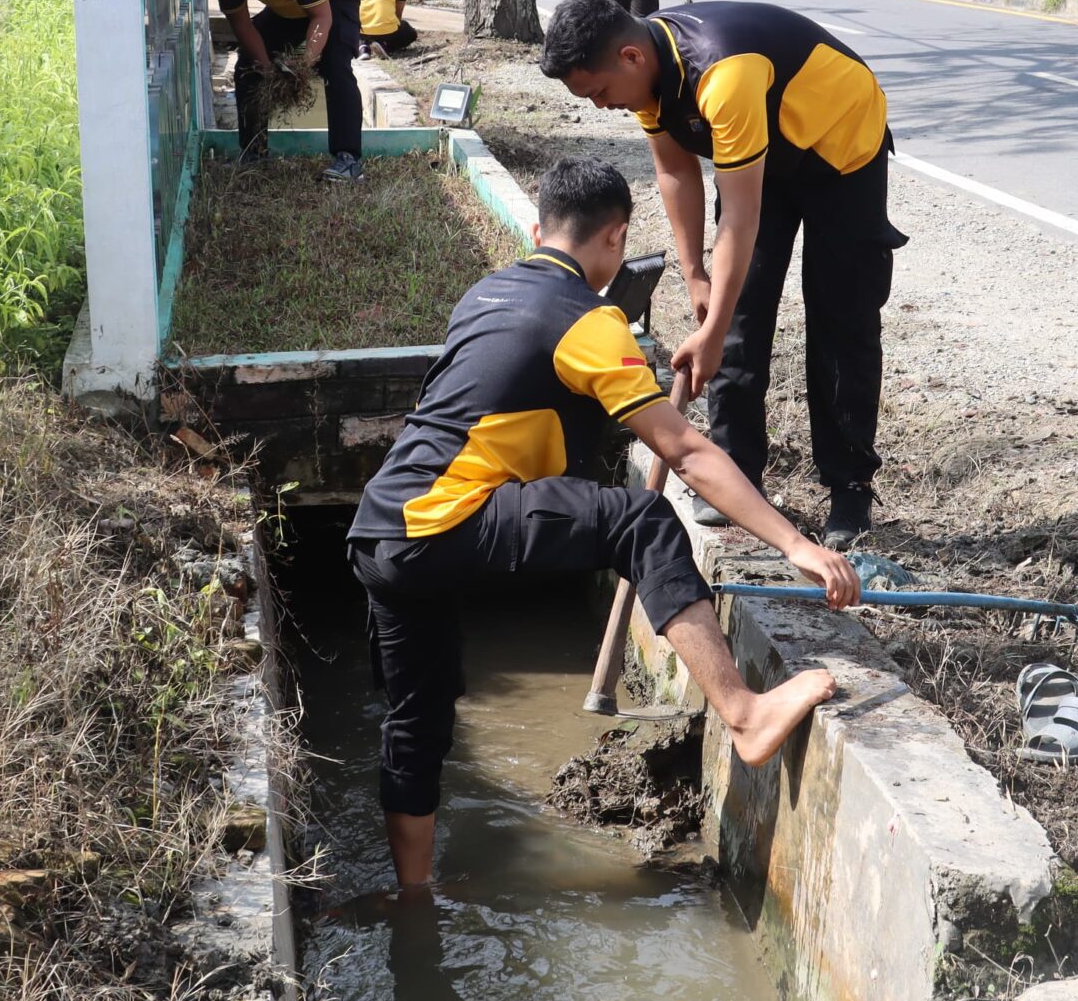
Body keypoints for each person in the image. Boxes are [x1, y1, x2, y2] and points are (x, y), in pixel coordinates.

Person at [346, 155, 856, 887]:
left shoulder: (485, 293)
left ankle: (413, 896)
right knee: (640, 522)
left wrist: (641, 366)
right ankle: (744, 713)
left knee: (415, 722)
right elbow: (684, 449)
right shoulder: (589, 319)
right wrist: (796, 542)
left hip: (382, 526)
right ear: (615, 238)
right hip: (450, 516)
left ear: (536, 230)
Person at [539, 0, 902, 543]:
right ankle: (738, 474)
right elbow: (676, 171)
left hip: (839, 145)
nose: (600, 107)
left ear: (631, 58)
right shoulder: (648, 69)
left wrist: (709, 334)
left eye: (600, 93)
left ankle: (849, 490)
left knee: (840, 315)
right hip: (766, 151)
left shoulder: (722, 74)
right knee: (740, 311)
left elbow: (739, 217)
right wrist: (695, 276)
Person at [205, 0, 363, 176]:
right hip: (291, 7)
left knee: (335, 64)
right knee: (248, 65)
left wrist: (303, 66)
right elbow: (242, 25)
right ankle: (254, 154)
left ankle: (348, 158)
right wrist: (267, 69)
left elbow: (321, 17)